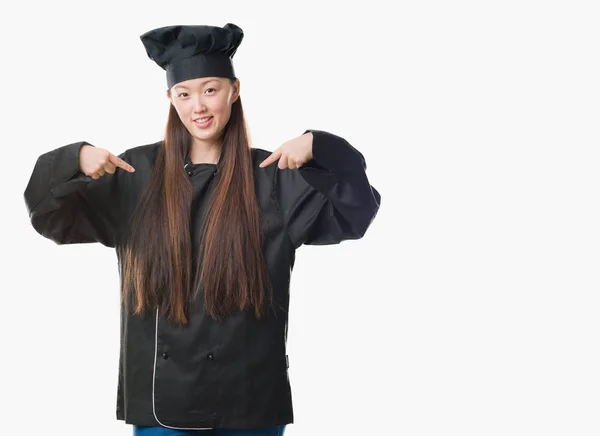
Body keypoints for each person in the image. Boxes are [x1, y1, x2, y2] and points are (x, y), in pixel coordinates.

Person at [23, 23, 382, 436]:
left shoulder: (272, 175)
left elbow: (357, 213)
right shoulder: (135, 174)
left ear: (234, 89)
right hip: (162, 409)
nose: (199, 106)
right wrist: (74, 159)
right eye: (185, 93)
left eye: (211, 90)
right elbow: (49, 217)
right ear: (171, 99)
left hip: (251, 404)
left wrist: (323, 146)